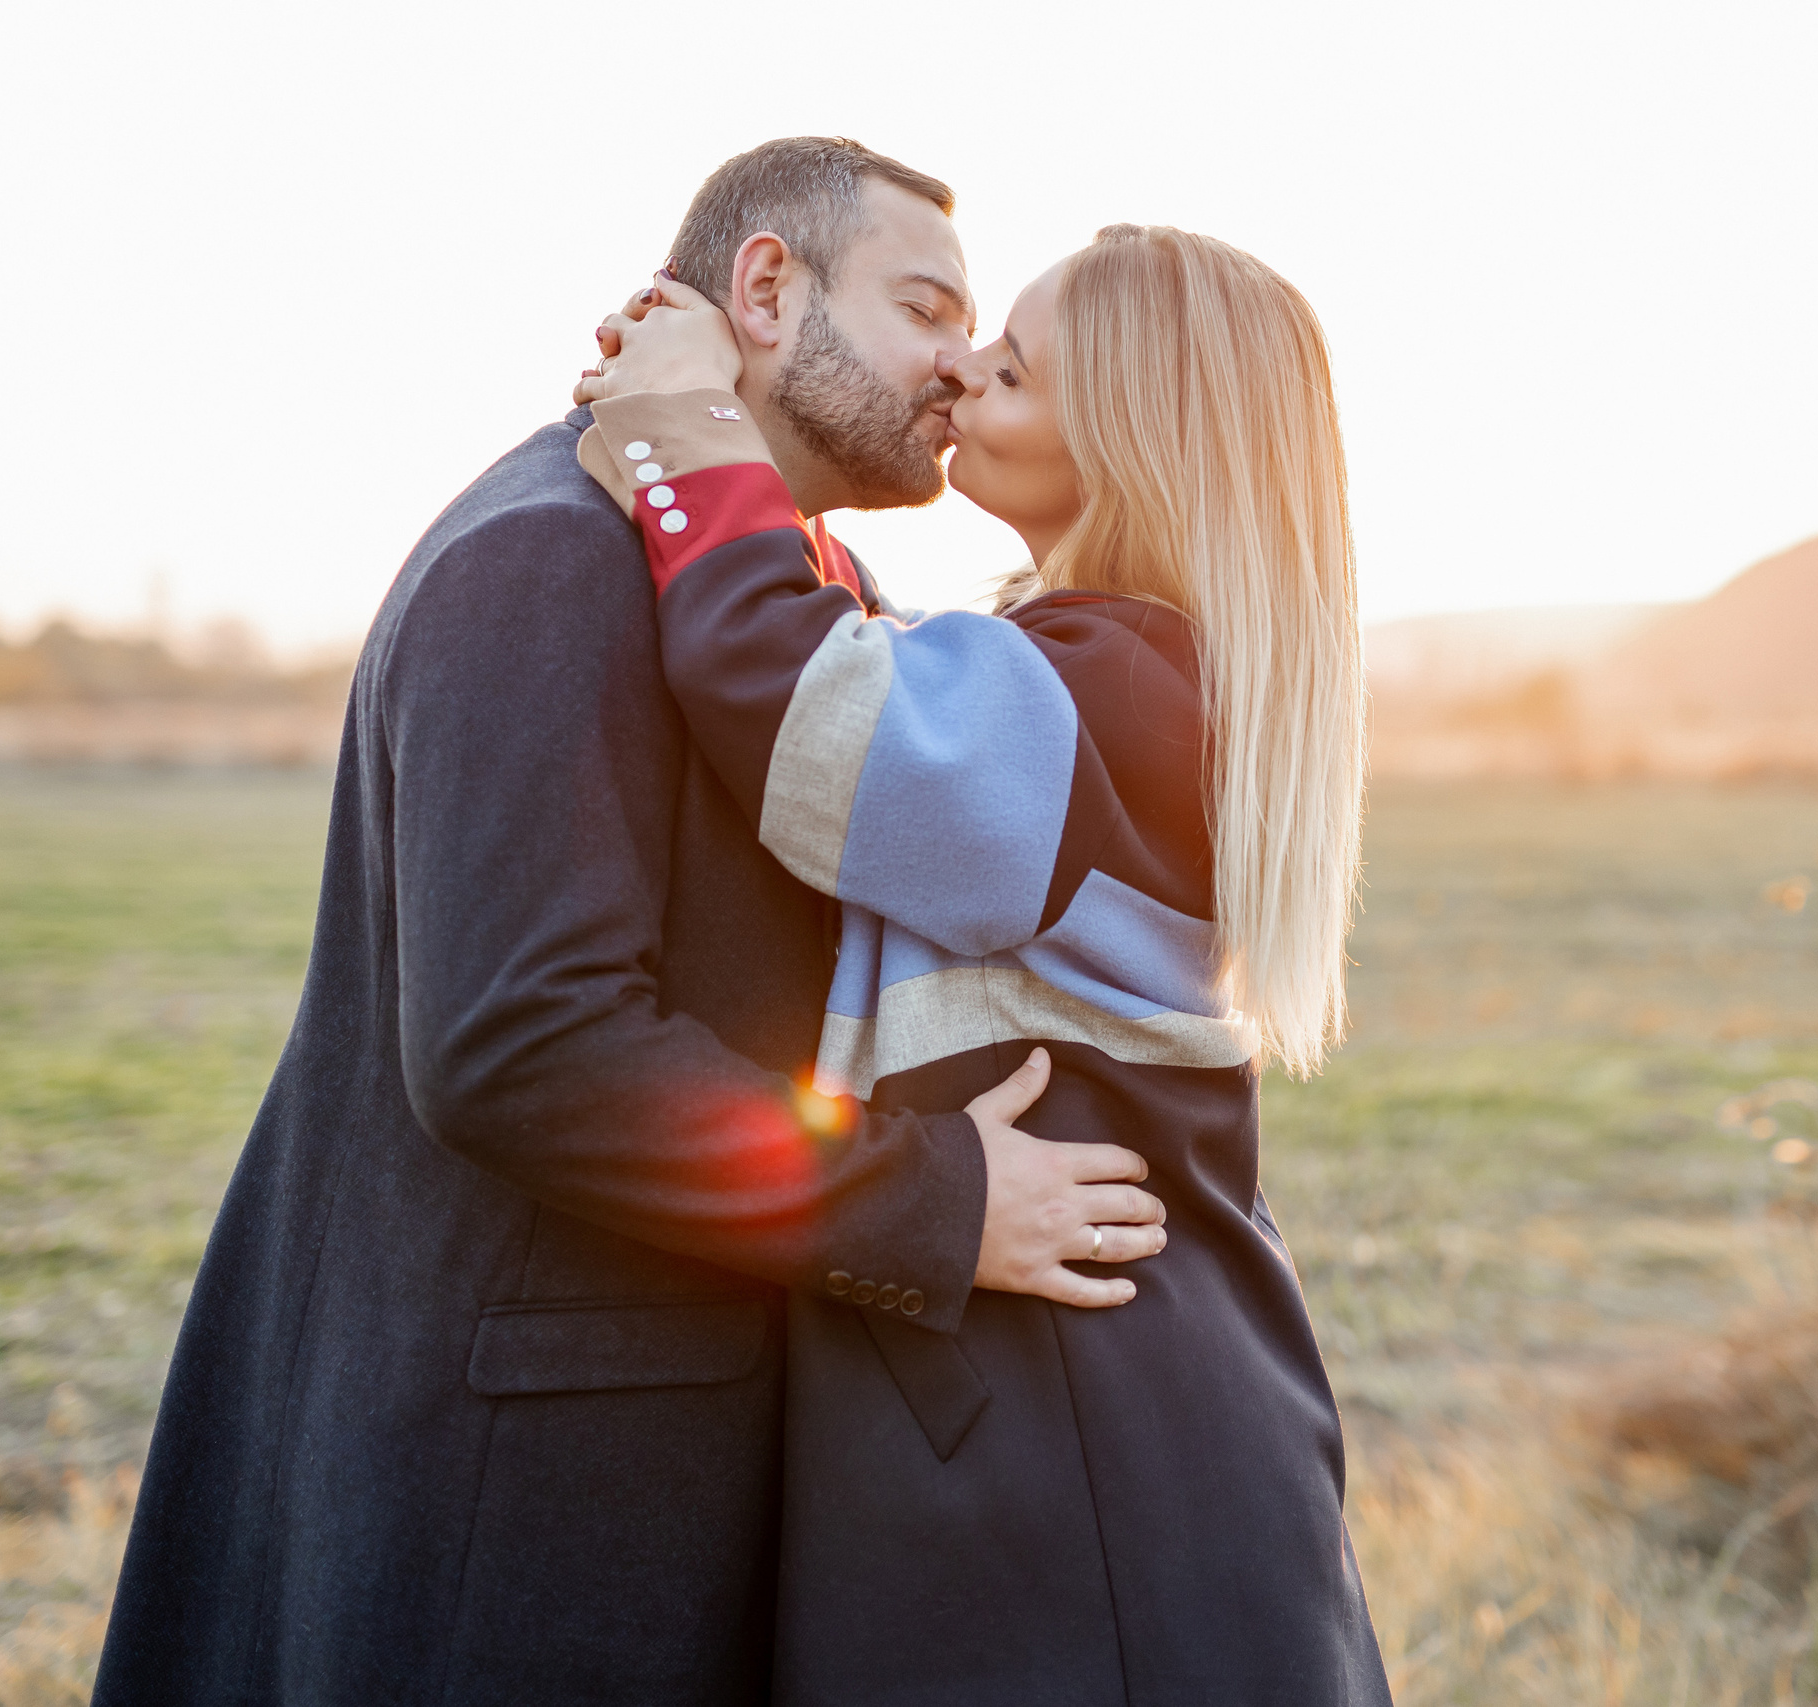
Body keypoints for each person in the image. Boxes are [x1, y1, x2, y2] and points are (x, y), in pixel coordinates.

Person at [91, 139, 1169, 1707]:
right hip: (525, 1483)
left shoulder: (807, 577)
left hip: (686, 1434)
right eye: (927, 305)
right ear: (764, 286)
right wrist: (929, 1202)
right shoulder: (549, 554)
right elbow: (524, 1042)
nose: (962, 360)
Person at [574, 223, 1393, 1705]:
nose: (958, 374)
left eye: (1008, 369)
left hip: (1077, 1452)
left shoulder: (1119, 691)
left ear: (1133, 432)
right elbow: (864, 653)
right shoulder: (1094, 671)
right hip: (1082, 1418)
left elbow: (797, 699)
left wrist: (683, 426)